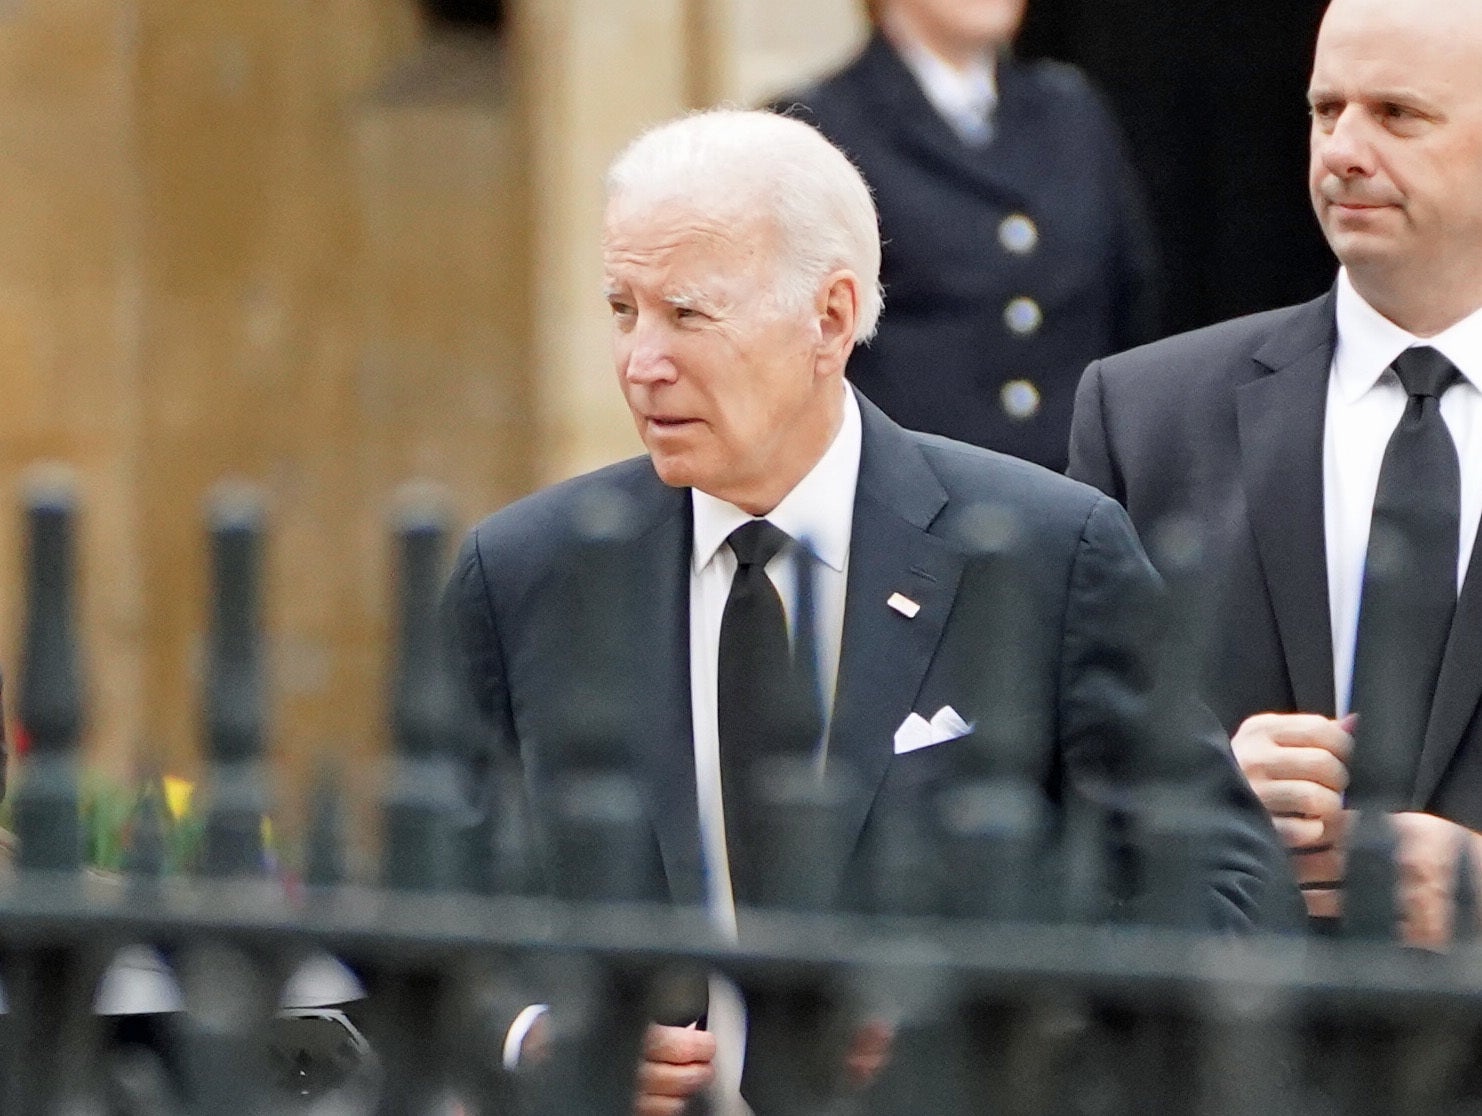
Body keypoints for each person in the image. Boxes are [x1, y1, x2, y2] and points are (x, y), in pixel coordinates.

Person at [447, 108, 1292, 1115]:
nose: (641, 362)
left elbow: (1223, 888)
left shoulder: (1044, 551)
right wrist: (537, 1034)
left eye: (689, 315)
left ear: (832, 317)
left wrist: (991, 1009)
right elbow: (428, 904)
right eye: (624, 310)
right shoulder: (526, 572)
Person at [1069, 0, 1482, 949]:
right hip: (1238, 1059)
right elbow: (1041, 784)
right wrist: (1199, 790)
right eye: (1325, 109)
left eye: (1397, 115)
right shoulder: (1144, 413)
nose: (1343, 149)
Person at [773, 0, 1160, 472]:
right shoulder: (821, 122)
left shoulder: (1068, 106)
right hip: (918, 494)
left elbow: (1130, 299)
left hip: (1076, 487)